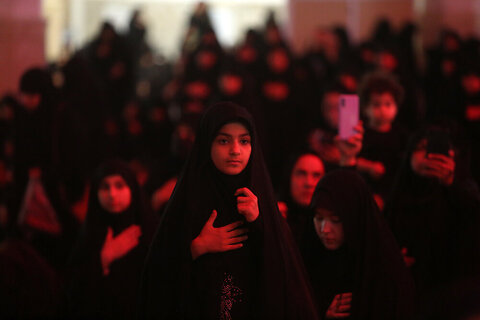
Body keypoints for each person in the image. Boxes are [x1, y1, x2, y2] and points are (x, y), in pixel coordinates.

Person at [140, 102, 318, 319]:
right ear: (207, 144)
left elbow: (286, 276)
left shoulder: (260, 203)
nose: (235, 150)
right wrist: (196, 248)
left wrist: (259, 222)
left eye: (244, 141)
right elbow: (156, 277)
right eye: (224, 140)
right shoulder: (188, 200)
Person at [384, 125, 480, 318]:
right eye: (420, 147)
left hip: (454, 294)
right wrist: (393, 261)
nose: (428, 155)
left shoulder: (465, 192)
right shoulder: (397, 195)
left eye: (435, 149)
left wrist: (452, 185)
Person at [303, 170, 414, 319]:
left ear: (355, 217)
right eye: (318, 218)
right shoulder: (309, 258)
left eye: (336, 220)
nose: (325, 229)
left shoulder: (385, 272)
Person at [67, 159, 155, 319]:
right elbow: (73, 293)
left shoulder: (150, 231)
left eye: (119, 185)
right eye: (105, 187)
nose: (112, 194)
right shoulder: (88, 235)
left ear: (132, 189)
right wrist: (103, 258)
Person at [356, 72, 409, 209]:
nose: (383, 110)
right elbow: (352, 159)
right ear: (365, 108)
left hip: (395, 191)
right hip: (368, 190)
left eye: (388, 104)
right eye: (376, 105)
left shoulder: (401, 134)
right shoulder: (361, 133)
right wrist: (369, 166)